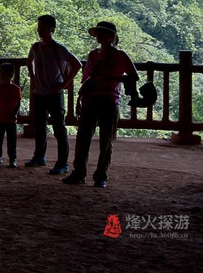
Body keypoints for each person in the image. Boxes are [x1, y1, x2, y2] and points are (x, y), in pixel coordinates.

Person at [62, 21, 139, 188]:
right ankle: (79, 172)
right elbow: (86, 79)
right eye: (98, 33)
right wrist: (80, 99)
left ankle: (101, 175)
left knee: (106, 140)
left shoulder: (120, 55)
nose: (99, 36)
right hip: (90, 99)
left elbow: (134, 76)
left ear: (111, 36)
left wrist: (110, 79)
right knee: (83, 138)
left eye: (102, 33)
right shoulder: (93, 55)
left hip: (109, 101)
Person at [24, 14, 83, 174]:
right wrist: (33, 77)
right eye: (39, 27)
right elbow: (29, 61)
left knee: (58, 129)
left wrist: (64, 84)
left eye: (43, 27)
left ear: (52, 29)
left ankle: (62, 163)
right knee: (40, 127)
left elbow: (77, 64)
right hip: (39, 93)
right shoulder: (36, 47)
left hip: (54, 94)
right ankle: (39, 157)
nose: (40, 30)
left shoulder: (58, 48)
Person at [0, 62, 23, 168]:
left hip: (11, 119)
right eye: (1, 73)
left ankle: (13, 159)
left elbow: (18, 103)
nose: (1, 75)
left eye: (3, 73)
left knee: (11, 140)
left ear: (11, 75)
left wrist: (15, 113)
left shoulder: (16, 89)